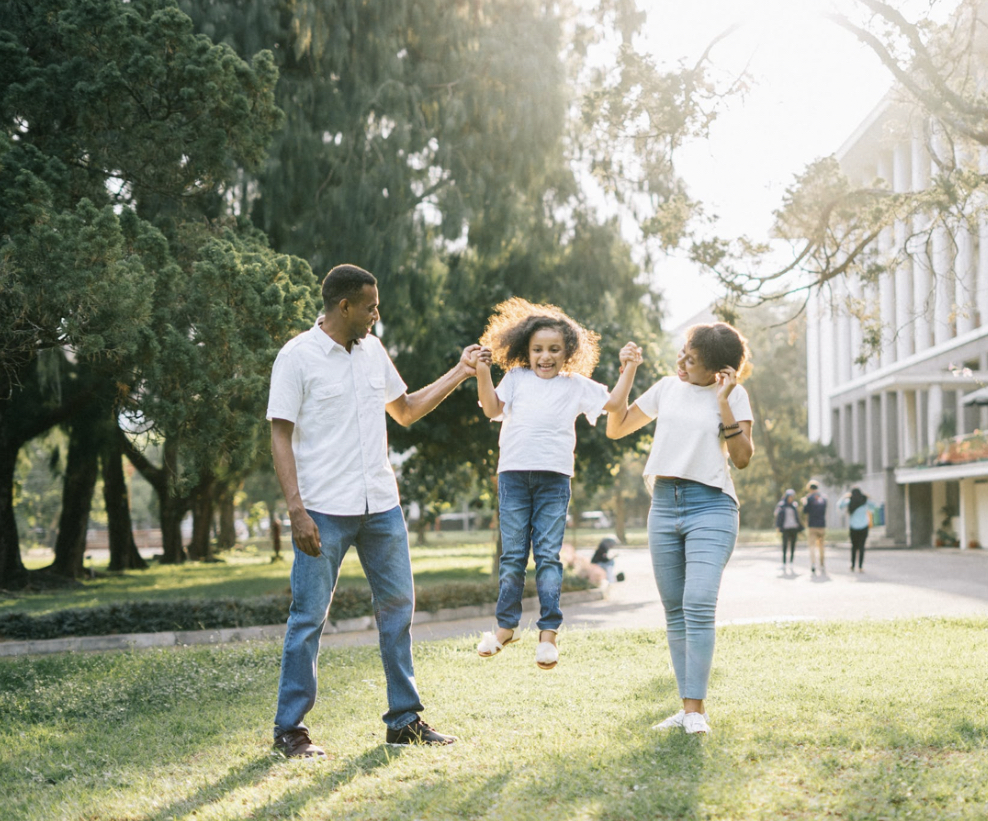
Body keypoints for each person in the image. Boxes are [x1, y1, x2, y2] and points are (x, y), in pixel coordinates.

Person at [267, 263, 482, 758]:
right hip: (323, 509)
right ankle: (290, 730)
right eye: (370, 306)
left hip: (381, 506)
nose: (376, 314)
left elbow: (404, 409)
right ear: (344, 306)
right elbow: (279, 434)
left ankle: (403, 721)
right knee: (308, 618)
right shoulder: (297, 357)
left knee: (398, 610)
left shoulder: (373, 351)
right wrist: (296, 511)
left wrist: (460, 371)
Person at [473, 297, 639, 670]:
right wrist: (483, 372)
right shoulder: (516, 378)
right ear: (525, 351)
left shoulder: (575, 385)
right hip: (514, 476)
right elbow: (491, 409)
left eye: (554, 350)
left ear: (569, 352)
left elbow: (614, 403)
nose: (545, 357)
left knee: (548, 556)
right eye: (537, 350)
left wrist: (628, 368)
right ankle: (505, 628)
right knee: (513, 556)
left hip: (553, 480)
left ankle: (548, 635)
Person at [606, 322, 754, 736]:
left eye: (693, 360)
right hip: (664, 505)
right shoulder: (667, 388)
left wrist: (723, 401)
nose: (682, 363)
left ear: (720, 371)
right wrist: (628, 371)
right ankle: (689, 709)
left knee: (699, 601)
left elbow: (742, 458)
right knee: (675, 612)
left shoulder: (735, 394)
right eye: (683, 354)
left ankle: (695, 713)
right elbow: (615, 428)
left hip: (712, 506)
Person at [838, 487, 874, 572]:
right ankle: (860, 566)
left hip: (853, 527)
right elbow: (873, 506)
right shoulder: (865, 501)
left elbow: (839, 505)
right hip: (864, 526)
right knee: (862, 547)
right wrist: (868, 497)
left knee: (854, 547)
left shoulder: (850, 501)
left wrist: (844, 497)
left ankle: (853, 565)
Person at [802, 480, 828, 575]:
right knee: (821, 546)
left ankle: (813, 563)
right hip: (822, 525)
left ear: (810, 489)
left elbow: (805, 511)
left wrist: (804, 502)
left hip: (812, 525)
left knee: (812, 546)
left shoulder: (809, 498)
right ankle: (822, 564)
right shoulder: (824, 498)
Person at [774, 489, 802, 569]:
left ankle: (791, 562)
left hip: (794, 528)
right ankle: (784, 563)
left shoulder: (794, 505)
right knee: (785, 546)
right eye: (789, 497)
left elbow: (797, 517)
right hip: (785, 528)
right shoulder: (781, 505)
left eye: (792, 497)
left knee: (793, 546)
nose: (790, 498)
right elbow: (778, 516)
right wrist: (778, 526)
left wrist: (799, 527)